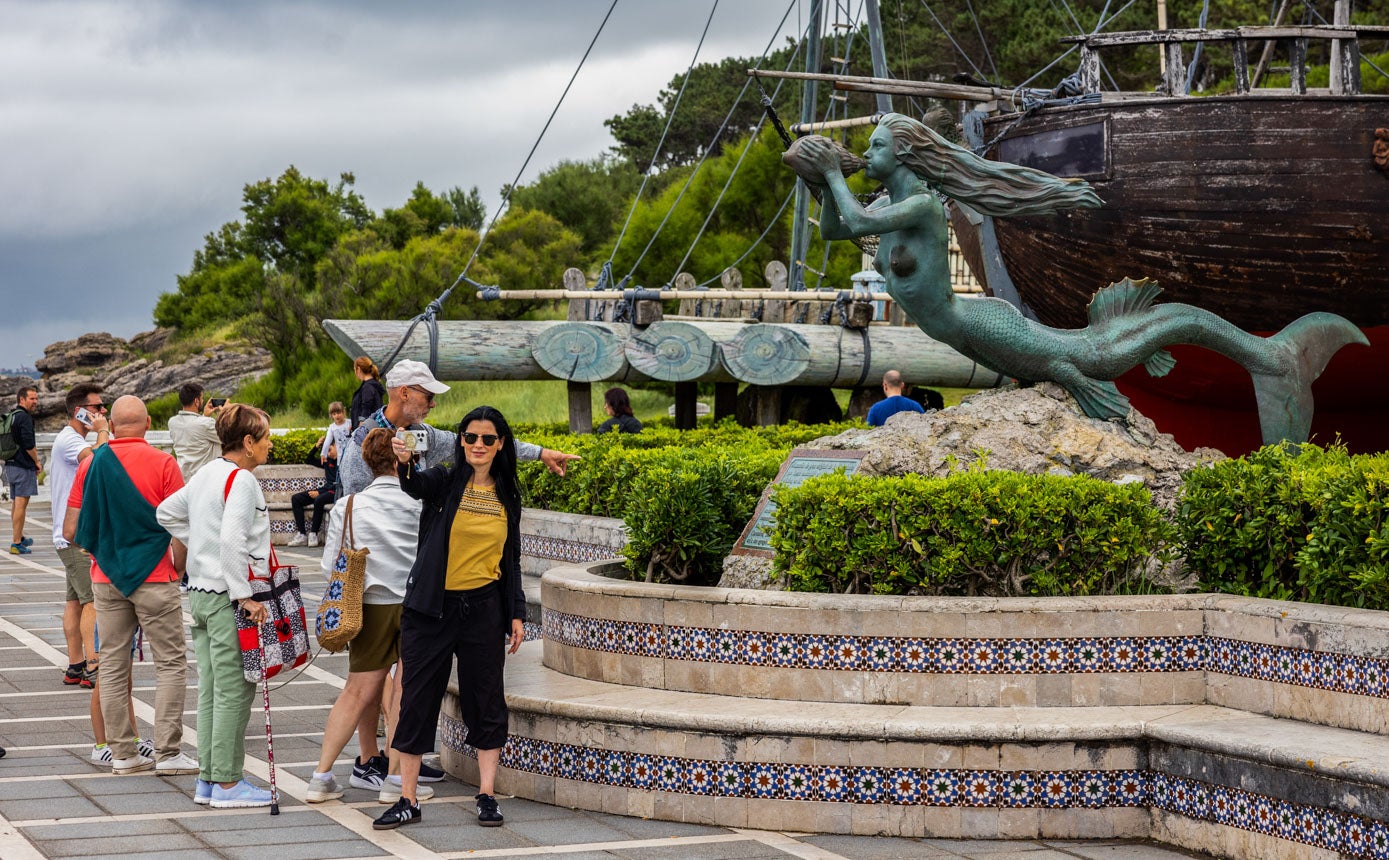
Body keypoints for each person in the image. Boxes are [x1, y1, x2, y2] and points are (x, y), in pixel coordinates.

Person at [374, 406, 525, 831]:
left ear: (500, 445)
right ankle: (407, 798)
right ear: (461, 441)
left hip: (483, 611)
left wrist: (516, 613)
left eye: (488, 439)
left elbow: (510, 558)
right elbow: (415, 487)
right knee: (417, 700)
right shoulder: (444, 480)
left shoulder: (508, 494)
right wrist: (404, 464)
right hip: (431, 610)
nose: (478, 445)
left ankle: (487, 794)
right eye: (471, 437)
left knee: (486, 700)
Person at [306, 428, 443, 804]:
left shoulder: (349, 505)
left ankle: (321, 777)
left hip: (369, 606)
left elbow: (329, 565)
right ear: (407, 458)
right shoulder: (421, 503)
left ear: (367, 462)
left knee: (356, 691)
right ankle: (396, 782)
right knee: (405, 692)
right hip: (417, 606)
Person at [63, 395, 198, 778]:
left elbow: (71, 530)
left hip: (106, 578)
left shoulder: (91, 465)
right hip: (156, 577)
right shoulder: (164, 463)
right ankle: (169, 753)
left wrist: (104, 547)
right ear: (148, 422)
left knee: (112, 665)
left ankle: (122, 753)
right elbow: (180, 528)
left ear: (112, 425)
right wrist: (177, 566)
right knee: (170, 664)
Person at [156, 403, 275, 809]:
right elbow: (232, 542)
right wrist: (245, 594)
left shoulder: (207, 472)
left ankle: (209, 779)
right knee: (234, 691)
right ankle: (226, 783)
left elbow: (166, 512)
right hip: (227, 598)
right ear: (247, 442)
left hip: (201, 594)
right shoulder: (241, 480)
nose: (269, 445)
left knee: (210, 689)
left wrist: (199, 543)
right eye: (265, 438)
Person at [338, 359, 578, 497]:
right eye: (429, 395)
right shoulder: (362, 441)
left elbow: (476, 443)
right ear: (404, 393)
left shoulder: (419, 435)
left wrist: (541, 453)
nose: (433, 403)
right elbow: (353, 506)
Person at [51, 383, 108, 688]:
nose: (103, 412)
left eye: (103, 407)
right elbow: (97, 462)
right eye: (97, 407)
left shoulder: (68, 438)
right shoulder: (70, 440)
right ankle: (92, 664)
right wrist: (102, 431)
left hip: (66, 534)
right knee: (92, 600)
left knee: (74, 600)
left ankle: (75, 665)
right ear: (80, 411)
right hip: (75, 536)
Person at [6, 386, 40, 555]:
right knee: (21, 505)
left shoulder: (12, 416)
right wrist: (37, 462)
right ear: (22, 399)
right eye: (32, 399)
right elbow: (28, 444)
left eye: (36, 398)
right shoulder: (25, 418)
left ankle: (17, 536)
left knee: (15, 503)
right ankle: (16, 543)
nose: (35, 402)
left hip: (10, 465)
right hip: (22, 466)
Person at [168, 382, 223, 480]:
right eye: (202, 398)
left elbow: (193, 429)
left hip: (183, 479)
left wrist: (205, 416)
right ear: (196, 401)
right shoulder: (206, 423)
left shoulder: (172, 422)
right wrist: (223, 413)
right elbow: (227, 436)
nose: (203, 401)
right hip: (204, 480)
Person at [349, 357, 386, 431]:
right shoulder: (372, 385)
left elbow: (366, 407)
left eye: (355, 370)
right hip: (373, 425)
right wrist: (353, 423)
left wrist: (361, 424)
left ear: (358, 369)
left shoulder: (368, 387)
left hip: (366, 428)